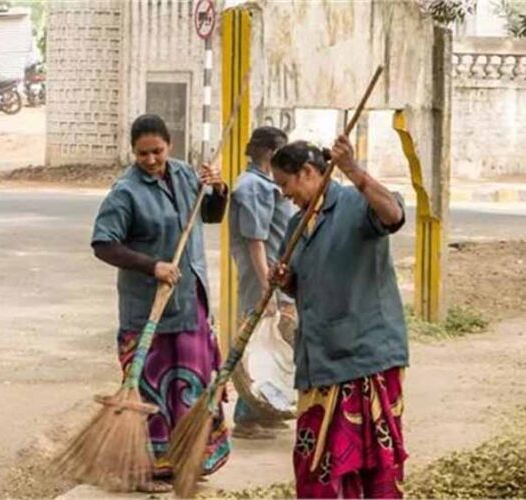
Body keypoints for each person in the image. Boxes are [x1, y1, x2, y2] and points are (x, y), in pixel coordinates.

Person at [91, 114, 231, 493]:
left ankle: (188, 458)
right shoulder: (125, 192)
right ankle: (149, 469)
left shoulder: (187, 175)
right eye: (143, 154)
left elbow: (212, 217)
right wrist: (152, 266)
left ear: (170, 146)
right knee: (152, 393)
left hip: (190, 305)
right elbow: (103, 244)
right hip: (148, 311)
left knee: (192, 386)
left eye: (157, 151)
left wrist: (218, 189)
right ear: (132, 152)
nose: (151, 160)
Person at [269, 137, 408, 498]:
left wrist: (354, 171)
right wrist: (286, 280)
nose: (284, 195)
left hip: (364, 356)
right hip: (318, 359)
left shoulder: (356, 203)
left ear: (309, 172)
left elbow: (393, 215)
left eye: (286, 184)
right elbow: (306, 287)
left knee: (372, 464)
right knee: (314, 463)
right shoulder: (297, 225)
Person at [228, 126, 297, 439]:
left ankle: (267, 410)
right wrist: (267, 289)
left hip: (274, 275)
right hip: (262, 278)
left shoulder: (267, 184)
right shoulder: (253, 187)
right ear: (270, 151)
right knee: (256, 344)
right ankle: (247, 414)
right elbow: (255, 240)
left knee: (273, 344)